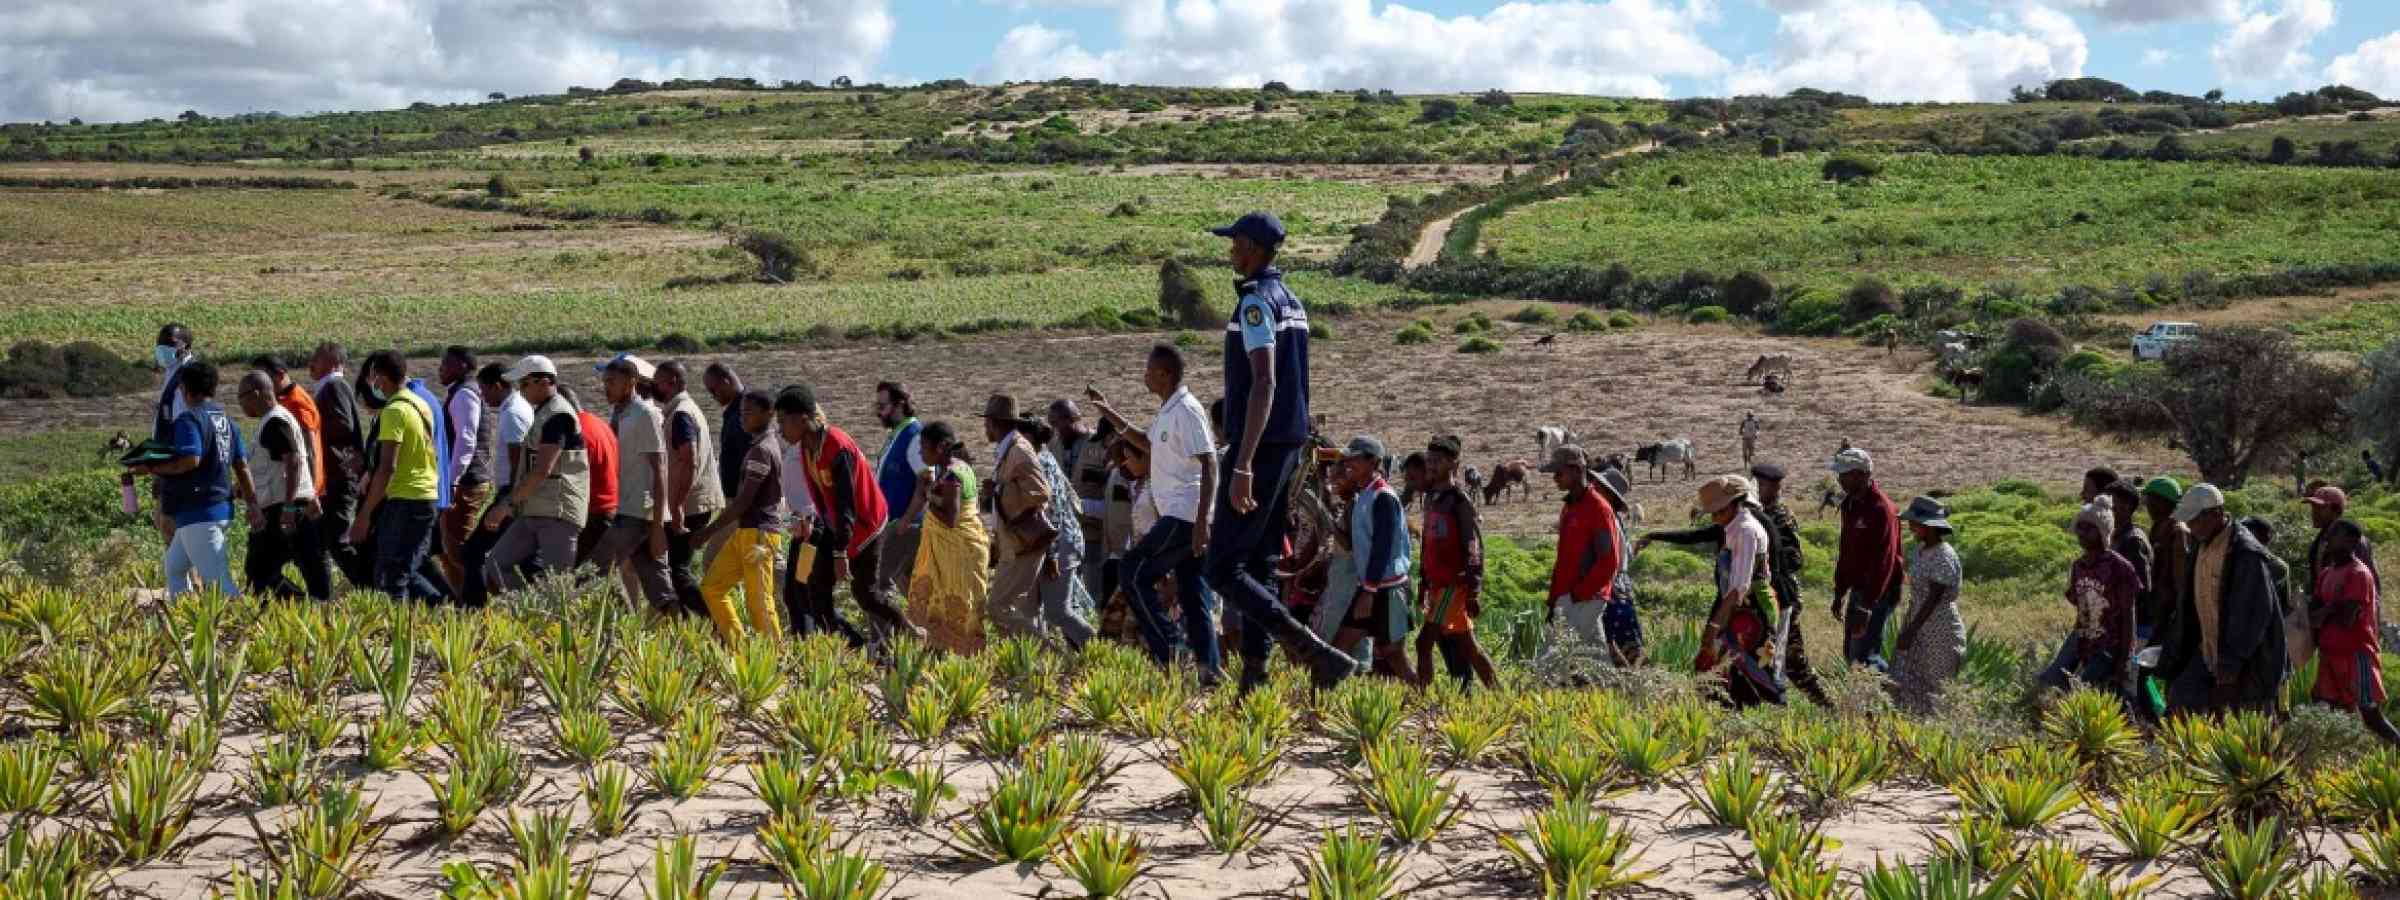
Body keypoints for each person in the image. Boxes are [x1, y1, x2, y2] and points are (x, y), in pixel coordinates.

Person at [1203, 211, 1357, 691]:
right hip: (1288, 442)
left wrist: (1243, 461)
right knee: (1260, 562)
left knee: (1222, 567)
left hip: (1262, 445)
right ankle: (1255, 677)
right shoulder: (1292, 301)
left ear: (1250, 247)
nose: (1230, 251)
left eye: (1234, 243)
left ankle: (1314, 653)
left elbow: (1264, 381)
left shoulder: (1255, 302)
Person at [1089, 346, 1223, 681]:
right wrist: (1110, 413)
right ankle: (1209, 667)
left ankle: (1172, 648)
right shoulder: (1168, 411)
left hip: (1186, 513)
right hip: (1180, 513)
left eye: (1148, 370)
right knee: (1194, 592)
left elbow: (1209, 463)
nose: (1144, 375)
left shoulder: (1187, 410)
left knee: (1133, 571)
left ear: (1164, 373)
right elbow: (1148, 444)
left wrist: (1203, 521)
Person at [781, 385, 916, 644]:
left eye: (784, 421)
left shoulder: (837, 446)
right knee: (814, 588)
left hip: (866, 525)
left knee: (865, 593)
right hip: (836, 525)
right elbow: (822, 498)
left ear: (803, 418)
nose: (780, 429)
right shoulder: (806, 448)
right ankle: (850, 645)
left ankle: (907, 630)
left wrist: (840, 552)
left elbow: (847, 505)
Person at [2157, 484, 2289, 714]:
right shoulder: (2202, 544)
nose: (2190, 526)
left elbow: (2253, 613)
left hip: (2246, 658)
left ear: (2215, 513)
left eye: (2195, 519)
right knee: (2181, 700)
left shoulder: (2245, 553)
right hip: (2209, 652)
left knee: (2248, 724)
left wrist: (2233, 663)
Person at [134, 361, 252, 600]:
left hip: (199, 512)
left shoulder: (188, 419)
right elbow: (241, 466)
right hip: (219, 508)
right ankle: (184, 616)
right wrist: (253, 504)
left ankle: (246, 629)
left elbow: (190, 460)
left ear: (185, 389)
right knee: (175, 568)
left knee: (220, 585)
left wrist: (152, 468)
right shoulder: (227, 421)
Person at [984, 396, 1094, 649]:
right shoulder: (1024, 455)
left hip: (1056, 540)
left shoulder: (1033, 458)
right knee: (1029, 607)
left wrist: (1052, 554)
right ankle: (1041, 661)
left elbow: (1049, 507)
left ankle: (1097, 651)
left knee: (1058, 611)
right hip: (1042, 540)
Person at [481, 355, 590, 592]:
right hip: (536, 509)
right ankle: (530, 613)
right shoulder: (544, 412)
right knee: (496, 564)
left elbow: (542, 471)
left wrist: (506, 505)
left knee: (557, 588)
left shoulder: (558, 415)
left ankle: (555, 622)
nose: (520, 390)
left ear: (543, 382)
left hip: (558, 512)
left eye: (524, 384)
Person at [348, 351, 449, 602]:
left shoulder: (393, 411)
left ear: (380, 378)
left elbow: (387, 467)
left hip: (406, 497)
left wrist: (365, 515)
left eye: (373, 379)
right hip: (425, 495)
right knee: (406, 568)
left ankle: (398, 627)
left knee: (390, 573)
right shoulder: (420, 403)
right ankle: (449, 611)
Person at [578, 354, 675, 611]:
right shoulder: (621, 414)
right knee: (658, 590)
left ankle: (618, 628)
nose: (605, 387)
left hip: (638, 513)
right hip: (627, 509)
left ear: (631, 382)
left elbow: (660, 469)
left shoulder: (645, 414)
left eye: (611, 382)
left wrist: (657, 527)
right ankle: (681, 632)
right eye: (605, 381)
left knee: (591, 573)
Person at [690, 390, 789, 641]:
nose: (743, 418)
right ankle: (739, 646)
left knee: (759, 602)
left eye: (749, 412)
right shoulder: (759, 446)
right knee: (712, 588)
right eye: (741, 412)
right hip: (746, 532)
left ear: (769, 414)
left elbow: (744, 501)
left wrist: (707, 532)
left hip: (759, 535)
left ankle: (773, 659)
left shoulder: (762, 450)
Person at [1324, 436, 1420, 684]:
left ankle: (1428, 704)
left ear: (1373, 462)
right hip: (1371, 586)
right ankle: (1318, 705)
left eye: (1356, 459)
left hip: (1384, 590)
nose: (1349, 464)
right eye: (1349, 459)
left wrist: (1368, 591)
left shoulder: (1383, 497)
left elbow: (1382, 548)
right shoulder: (1364, 495)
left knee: (1393, 654)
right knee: (1339, 647)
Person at [1688, 476, 1781, 707]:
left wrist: (1714, 626)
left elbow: (1740, 587)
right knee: (1727, 668)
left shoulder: (1745, 531)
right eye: (1712, 512)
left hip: (1749, 609)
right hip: (1739, 607)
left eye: (1718, 511)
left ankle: (1741, 718)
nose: (1714, 517)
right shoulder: (1734, 527)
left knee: (1731, 666)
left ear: (1734, 504)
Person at [236, 371, 329, 601]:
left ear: (256, 394)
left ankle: (302, 605)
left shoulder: (275, 422)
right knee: (307, 565)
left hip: (282, 510)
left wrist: (288, 507)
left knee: (259, 573)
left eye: (242, 398)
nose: (241, 405)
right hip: (290, 506)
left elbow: (294, 461)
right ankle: (313, 606)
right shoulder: (275, 420)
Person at [1415, 435, 1496, 690]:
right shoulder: (1431, 498)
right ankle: (1500, 694)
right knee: (1467, 646)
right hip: (1437, 585)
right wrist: (1423, 582)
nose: (1431, 465)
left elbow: (1473, 547)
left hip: (1454, 585)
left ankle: (1422, 696)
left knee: (1424, 642)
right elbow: (1427, 545)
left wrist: (1474, 589)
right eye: (1429, 460)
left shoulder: (1459, 501)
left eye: (1438, 461)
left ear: (1454, 464)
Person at [2310, 520, 2400, 745]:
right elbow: (2315, 612)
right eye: (2328, 534)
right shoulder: (2327, 573)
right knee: (2332, 712)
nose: (2328, 539)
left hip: (2356, 656)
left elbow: (2347, 618)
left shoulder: (2359, 574)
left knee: (2371, 717)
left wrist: (2328, 609)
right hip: (2330, 655)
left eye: (2335, 535)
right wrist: (2329, 609)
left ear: (2351, 541)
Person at [905, 421, 990, 655]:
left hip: (958, 551)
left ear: (941, 447)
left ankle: (961, 660)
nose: (921, 452)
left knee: (957, 609)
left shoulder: (952, 476)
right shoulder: (959, 466)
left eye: (924, 447)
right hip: (967, 548)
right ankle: (950, 656)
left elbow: (951, 519)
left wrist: (927, 493)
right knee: (955, 606)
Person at [2040, 502, 2140, 696]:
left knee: (2087, 694)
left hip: (2110, 647)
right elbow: (2081, 610)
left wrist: (2125, 658)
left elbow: (2129, 615)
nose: (2082, 533)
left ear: (2103, 531)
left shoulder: (2119, 567)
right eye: (2080, 527)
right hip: (2086, 643)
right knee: (2052, 681)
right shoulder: (2079, 566)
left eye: (2089, 528)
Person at [457, 363, 536, 607]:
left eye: (484, 389)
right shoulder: (515, 408)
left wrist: (506, 503)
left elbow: (518, 463)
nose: (482, 396)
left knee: (474, 552)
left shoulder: (512, 413)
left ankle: (475, 610)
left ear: (498, 385)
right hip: (513, 493)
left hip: (510, 493)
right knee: (522, 560)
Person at [1541, 446, 1624, 663]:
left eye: (1559, 472)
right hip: (1570, 597)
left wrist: (1577, 595)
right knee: (1593, 662)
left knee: (1552, 660)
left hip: (1586, 597)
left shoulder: (1598, 508)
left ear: (1577, 470)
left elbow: (1609, 561)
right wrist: (1554, 601)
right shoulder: (1569, 507)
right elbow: (1563, 561)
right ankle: (1618, 694)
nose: (1554, 478)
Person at [656, 361, 726, 617]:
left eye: (659, 381)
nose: (655, 386)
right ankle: (696, 622)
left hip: (688, 505)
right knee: (675, 569)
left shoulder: (681, 414)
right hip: (695, 501)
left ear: (673, 381)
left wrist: (675, 507)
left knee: (677, 571)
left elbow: (690, 459)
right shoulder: (687, 409)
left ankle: (716, 621)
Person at [1887, 497, 1963, 714]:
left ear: (1929, 526)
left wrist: (1910, 631)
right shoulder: (1921, 549)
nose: (1910, 527)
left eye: (1914, 523)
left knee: (1934, 687)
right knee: (1905, 679)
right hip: (1918, 623)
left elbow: (1934, 598)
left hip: (1938, 629)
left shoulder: (1943, 556)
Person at [1829, 447, 1904, 670]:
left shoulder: (1881, 509)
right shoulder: (1850, 504)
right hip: (1860, 589)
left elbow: (1885, 561)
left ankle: (1889, 695)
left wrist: (1867, 606)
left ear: (1861, 475)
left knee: (1864, 657)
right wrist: (1840, 591)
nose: (1839, 479)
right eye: (1840, 474)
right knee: (1852, 653)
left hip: (1878, 592)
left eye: (1844, 474)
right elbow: (1846, 551)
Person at [308, 341, 370, 587]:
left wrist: (313, 432)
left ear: (334, 362)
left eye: (317, 357)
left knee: (337, 540)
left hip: (338, 477)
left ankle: (371, 586)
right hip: (333, 477)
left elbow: (343, 426)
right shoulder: (329, 387)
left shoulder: (333, 387)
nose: (311, 362)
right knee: (323, 540)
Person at [436, 346, 493, 594]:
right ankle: (461, 598)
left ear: (461, 366)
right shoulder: (463, 392)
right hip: (465, 480)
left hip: (467, 482)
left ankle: (486, 597)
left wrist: (452, 480)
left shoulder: (464, 395)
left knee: (459, 547)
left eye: (446, 364)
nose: (440, 368)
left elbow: (466, 440)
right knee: (450, 546)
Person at [1050, 398, 1115, 603]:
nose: (1056, 430)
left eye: (1058, 424)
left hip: (1093, 532)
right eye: (1052, 425)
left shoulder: (1099, 443)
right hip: (1065, 532)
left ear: (1074, 419)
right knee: (1068, 594)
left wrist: (1084, 506)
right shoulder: (1054, 445)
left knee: (1094, 590)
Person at [871, 381, 929, 608]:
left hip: (904, 526)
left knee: (881, 584)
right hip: (894, 524)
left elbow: (925, 482)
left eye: (883, 406)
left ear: (900, 405)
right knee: (907, 583)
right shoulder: (898, 434)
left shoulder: (914, 436)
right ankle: (926, 632)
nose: (879, 411)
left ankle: (884, 639)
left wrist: (905, 521)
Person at [568, 385, 620, 568]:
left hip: (595, 511)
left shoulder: (578, 431)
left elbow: (574, 479)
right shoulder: (599, 422)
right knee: (599, 571)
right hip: (609, 506)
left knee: (580, 573)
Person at [2140, 477, 2191, 649]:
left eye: (2151, 500)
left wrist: (2178, 611)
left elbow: (2180, 578)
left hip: (2166, 608)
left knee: (2156, 655)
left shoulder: (2177, 531)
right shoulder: (2158, 527)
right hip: (2155, 606)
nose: (2147, 505)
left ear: (2163, 502)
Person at [2100, 480, 2154, 634]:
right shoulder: (2116, 536)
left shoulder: (2133, 541)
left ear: (2126, 507)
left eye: (2109, 506)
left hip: (2133, 626)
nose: (2103, 511)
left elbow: (2141, 590)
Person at [702, 363, 749, 499]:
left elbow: (749, 462)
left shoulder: (746, 411)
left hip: (743, 500)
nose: (713, 396)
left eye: (713, 390)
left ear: (725, 382)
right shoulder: (736, 410)